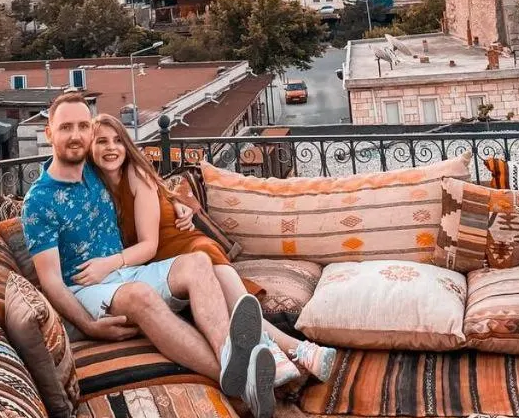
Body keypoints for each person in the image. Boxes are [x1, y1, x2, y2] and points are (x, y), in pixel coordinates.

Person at [22, 91, 276, 418]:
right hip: (85, 290)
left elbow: (146, 179)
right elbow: (51, 281)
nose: (75, 136)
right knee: (140, 295)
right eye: (66, 127)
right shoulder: (38, 202)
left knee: (198, 262)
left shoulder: (94, 171)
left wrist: (180, 205)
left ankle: (231, 358)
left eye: (83, 126)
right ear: (49, 133)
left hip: (125, 274)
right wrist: (88, 325)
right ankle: (243, 384)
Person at [88, 114, 336, 386]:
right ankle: (302, 353)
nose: (111, 148)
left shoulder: (134, 174)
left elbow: (149, 244)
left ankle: (292, 352)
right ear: (90, 147)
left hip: (189, 248)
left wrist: (109, 264)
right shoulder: (98, 188)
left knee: (239, 307)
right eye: (101, 142)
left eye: (117, 141)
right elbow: (162, 196)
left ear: (127, 146)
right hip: (171, 261)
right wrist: (176, 205)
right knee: (231, 308)